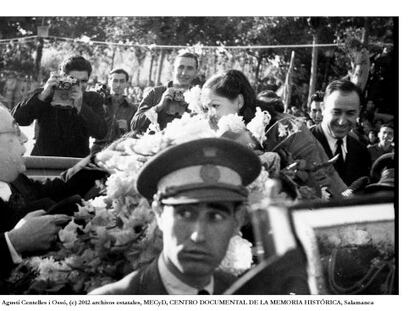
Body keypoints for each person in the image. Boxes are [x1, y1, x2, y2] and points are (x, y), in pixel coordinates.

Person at [89, 137, 262, 294]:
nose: (198, 235)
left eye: (215, 217)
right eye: (185, 214)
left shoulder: (241, 294)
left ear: (237, 221)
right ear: (159, 213)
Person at [0, 104, 108, 283]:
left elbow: (53, 190)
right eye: (15, 130)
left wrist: (101, 160)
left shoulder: (15, 179)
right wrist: (13, 241)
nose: (25, 138)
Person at [12, 56, 107, 157]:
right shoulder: (47, 94)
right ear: (63, 77)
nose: (78, 85)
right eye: (73, 80)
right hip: (45, 161)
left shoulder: (92, 99)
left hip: (76, 163)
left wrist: (81, 106)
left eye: (83, 81)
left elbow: (100, 132)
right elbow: (18, 119)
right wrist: (43, 95)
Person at [310, 79, 371, 186]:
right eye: (336, 112)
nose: (342, 121)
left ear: (359, 112)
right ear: (323, 108)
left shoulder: (362, 152)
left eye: (350, 113)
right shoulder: (300, 143)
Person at [130, 52, 198, 134]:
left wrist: (192, 110)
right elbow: (134, 125)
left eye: (189, 68)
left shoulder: (198, 98)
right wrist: (158, 107)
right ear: (173, 69)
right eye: (181, 67)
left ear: (195, 72)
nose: (184, 73)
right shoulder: (156, 93)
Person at [91, 68, 137, 153]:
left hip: (118, 151)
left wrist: (126, 130)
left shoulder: (133, 108)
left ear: (127, 84)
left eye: (122, 81)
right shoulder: (99, 102)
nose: (118, 85)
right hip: (97, 148)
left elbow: (135, 134)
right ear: (109, 82)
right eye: (115, 81)